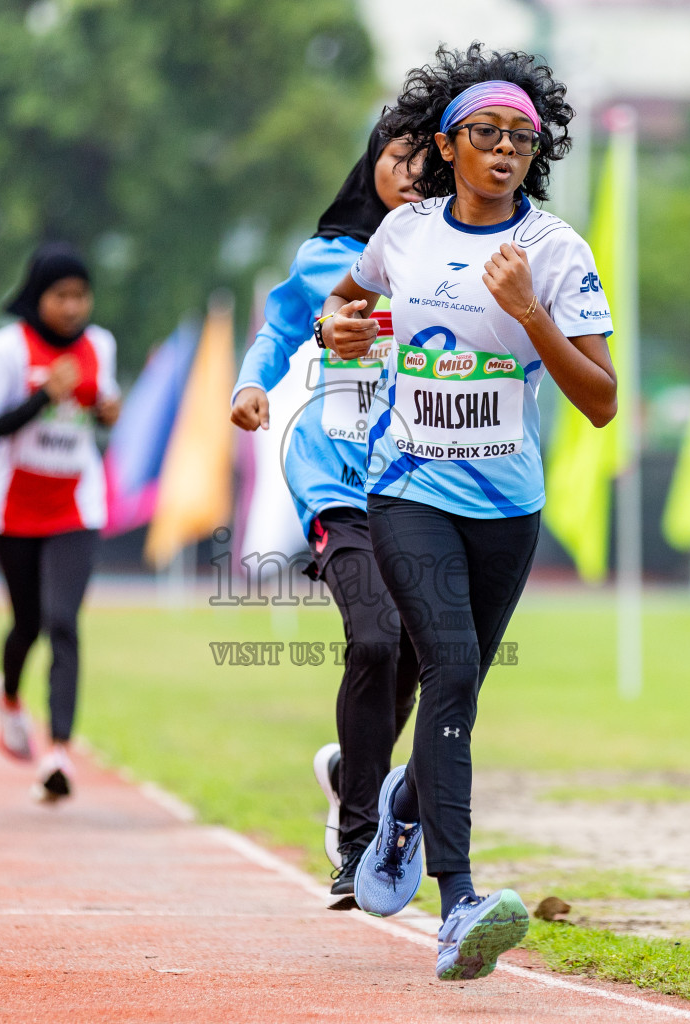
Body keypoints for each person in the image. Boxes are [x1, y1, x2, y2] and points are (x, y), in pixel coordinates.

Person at [316, 46, 616, 980]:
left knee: (461, 688)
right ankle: (460, 904)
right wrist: (341, 327)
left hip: (507, 508)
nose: (505, 151)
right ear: (447, 145)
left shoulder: (558, 252)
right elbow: (345, 304)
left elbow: (602, 399)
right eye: (485, 134)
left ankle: (407, 805)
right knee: (446, 667)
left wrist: (531, 316)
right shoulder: (404, 234)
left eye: (523, 139)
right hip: (408, 490)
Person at [230, 121, 423, 909]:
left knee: (415, 654)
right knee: (373, 637)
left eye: (425, 157)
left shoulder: (455, 254)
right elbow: (281, 326)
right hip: (335, 476)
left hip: (424, 480)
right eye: (395, 154)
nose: (410, 170)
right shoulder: (325, 257)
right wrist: (254, 384)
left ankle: (351, 768)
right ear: (369, 163)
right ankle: (355, 839)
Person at [0, 242, 121, 803]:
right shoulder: (3, 352)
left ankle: (57, 753)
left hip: (77, 504)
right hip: (14, 509)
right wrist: (39, 396)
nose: (74, 307)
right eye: (62, 296)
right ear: (39, 297)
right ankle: (7, 699)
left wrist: (107, 412)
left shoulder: (100, 345)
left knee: (63, 621)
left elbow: (100, 409)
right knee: (26, 623)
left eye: (82, 295)